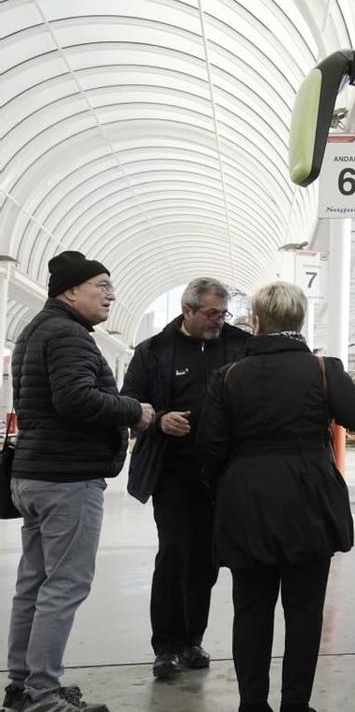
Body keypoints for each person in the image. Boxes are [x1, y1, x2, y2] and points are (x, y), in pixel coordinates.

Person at [197, 282, 355, 712]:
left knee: (251, 608)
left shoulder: (229, 375)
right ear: (299, 320)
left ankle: (252, 704)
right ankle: (296, 704)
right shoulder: (322, 369)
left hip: (247, 501)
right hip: (308, 501)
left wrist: (229, 485)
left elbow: (209, 449)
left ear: (257, 321)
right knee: (304, 609)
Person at [3, 252, 154, 712]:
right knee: (64, 586)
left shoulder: (37, 330)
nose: (111, 296)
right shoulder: (67, 335)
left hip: (35, 475)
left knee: (34, 584)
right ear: (70, 291)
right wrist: (136, 411)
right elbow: (75, 399)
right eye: (101, 286)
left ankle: (22, 686)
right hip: (65, 479)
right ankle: (43, 693)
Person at [120, 277, 251, 679]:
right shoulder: (154, 351)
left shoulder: (240, 345)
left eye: (224, 313)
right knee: (174, 553)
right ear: (187, 310)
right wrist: (159, 420)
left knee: (206, 560)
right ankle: (166, 647)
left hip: (222, 473)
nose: (219, 321)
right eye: (211, 313)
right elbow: (128, 403)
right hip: (173, 471)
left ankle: (193, 639)